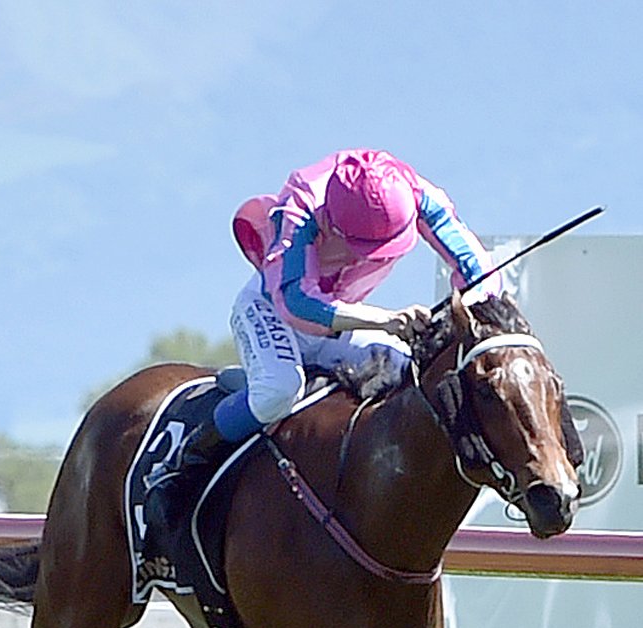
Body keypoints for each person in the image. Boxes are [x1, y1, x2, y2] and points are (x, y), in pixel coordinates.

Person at [147, 148, 499, 526]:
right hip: (271, 311)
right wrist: (383, 321)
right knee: (277, 392)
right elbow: (296, 302)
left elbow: (480, 272)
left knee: (411, 374)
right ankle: (183, 464)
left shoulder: (417, 195)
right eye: (361, 246)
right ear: (330, 220)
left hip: (340, 317)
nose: (371, 259)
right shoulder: (300, 208)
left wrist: (453, 315)